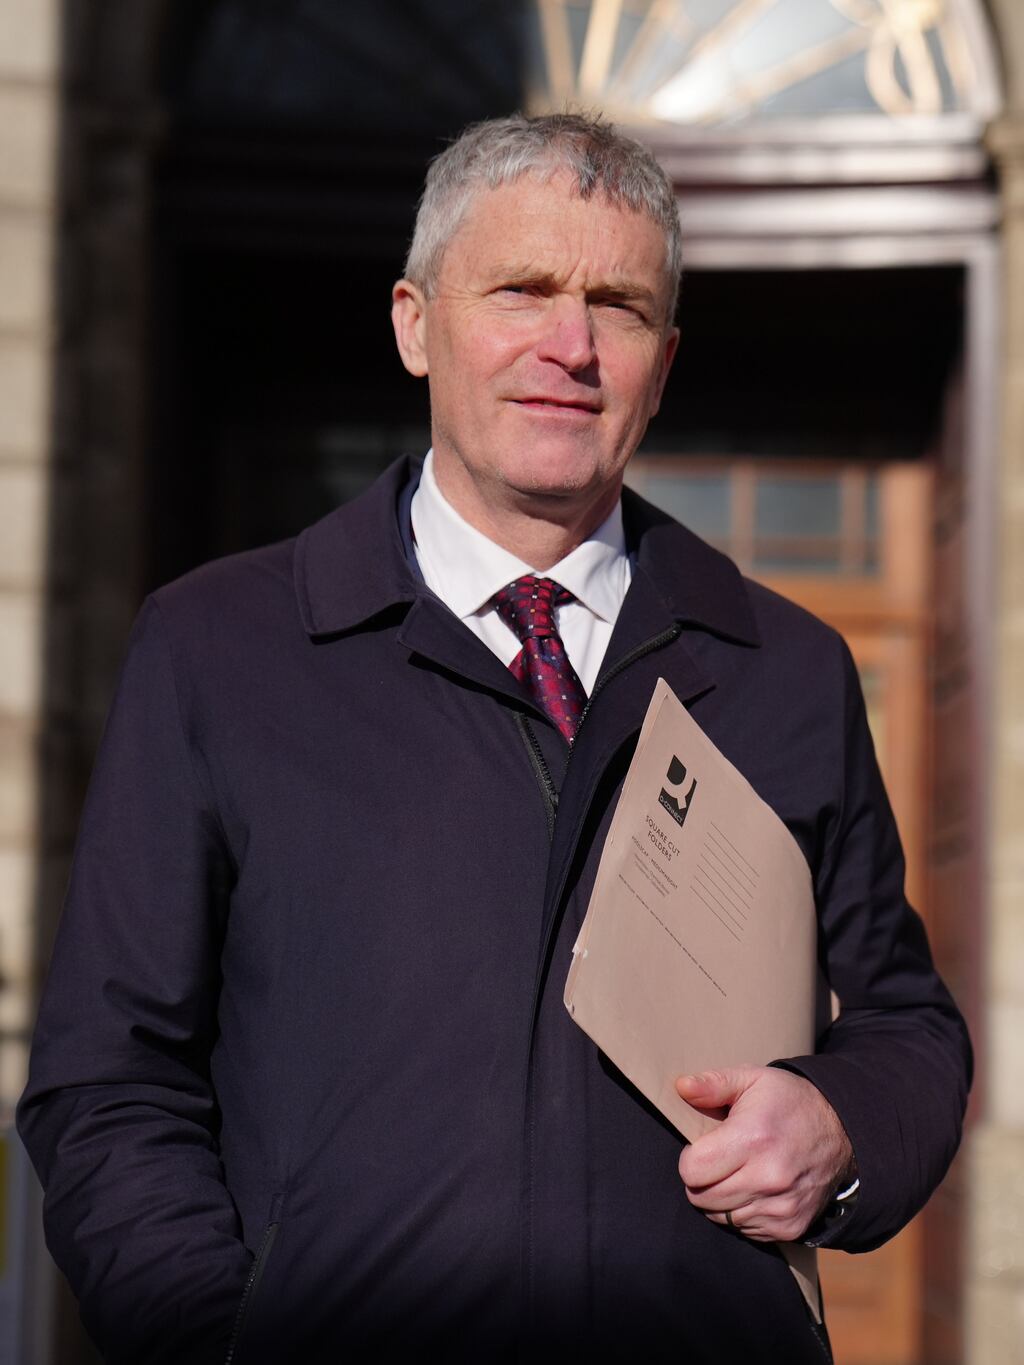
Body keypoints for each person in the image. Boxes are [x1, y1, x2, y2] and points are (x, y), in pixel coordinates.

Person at [18, 112, 970, 1365]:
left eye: (618, 307)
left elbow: (907, 1025)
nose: (567, 346)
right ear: (415, 322)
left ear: (664, 360)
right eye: (522, 288)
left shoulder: (784, 667)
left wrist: (842, 1126)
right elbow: (110, 1083)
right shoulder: (219, 651)